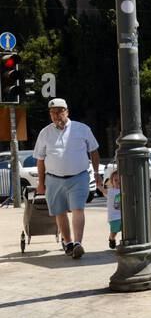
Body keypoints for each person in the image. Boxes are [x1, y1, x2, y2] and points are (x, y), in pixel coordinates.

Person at [33, 98, 104, 259]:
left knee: (78, 208)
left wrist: (97, 173)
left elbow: (94, 151)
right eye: (52, 113)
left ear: (67, 112)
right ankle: (69, 242)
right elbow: (40, 160)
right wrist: (41, 184)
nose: (56, 115)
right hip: (53, 179)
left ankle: (78, 242)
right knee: (60, 211)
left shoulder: (82, 129)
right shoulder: (45, 133)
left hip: (79, 176)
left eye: (59, 112)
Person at [106, 169, 122, 250]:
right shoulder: (111, 191)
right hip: (114, 217)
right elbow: (103, 191)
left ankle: (125, 241)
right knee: (114, 231)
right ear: (112, 182)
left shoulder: (124, 189)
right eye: (116, 180)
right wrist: (99, 185)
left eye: (120, 180)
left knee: (126, 229)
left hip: (123, 215)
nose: (118, 182)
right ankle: (111, 239)